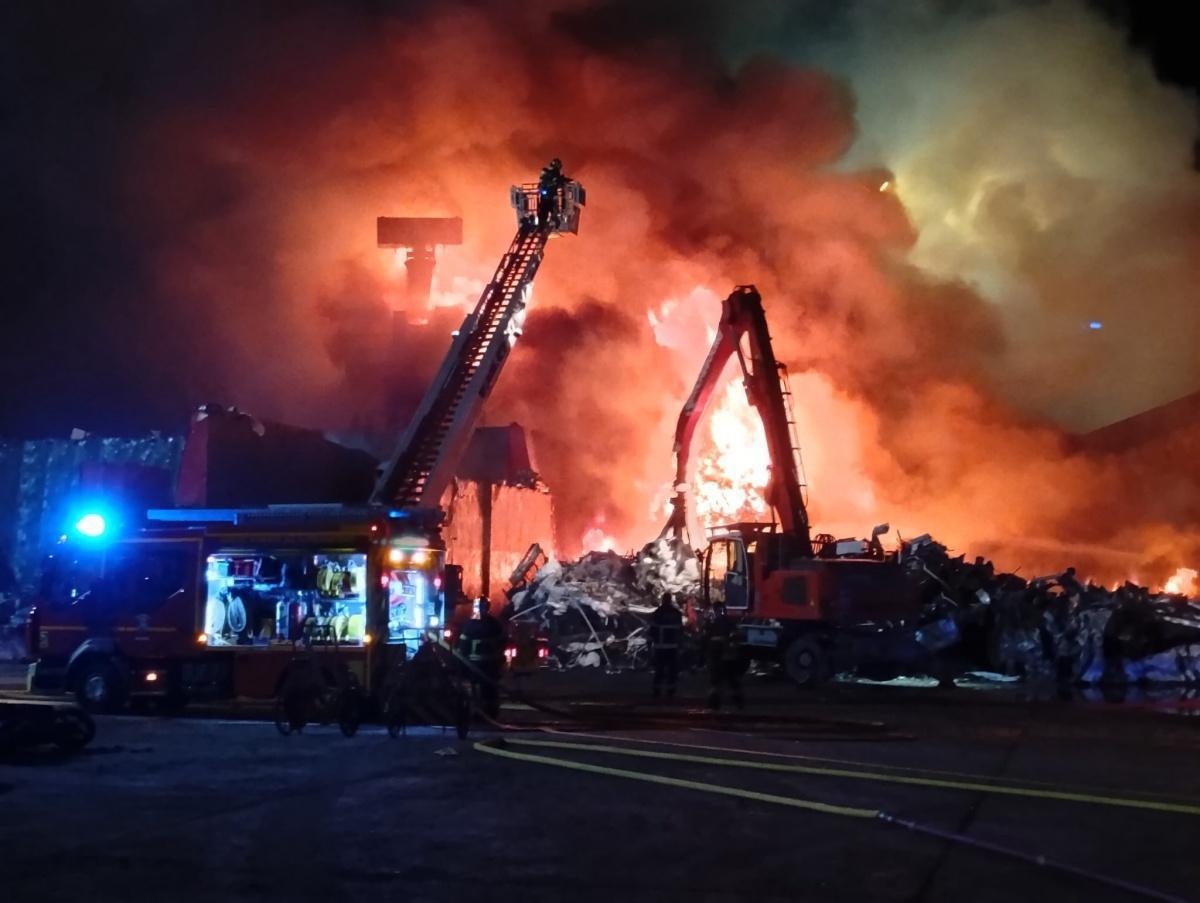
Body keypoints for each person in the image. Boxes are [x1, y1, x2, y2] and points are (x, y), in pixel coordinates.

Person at [456, 596, 505, 719]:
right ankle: (487, 713)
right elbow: (503, 643)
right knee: (487, 690)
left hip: (478, 665)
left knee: (483, 690)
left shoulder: (470, 625)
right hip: (487, 665)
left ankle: (483, 713)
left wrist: (461, 663)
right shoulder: (495, 624)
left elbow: (463, 646)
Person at [703, 602, 744, 710]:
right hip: (727, 656)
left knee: (717, 681)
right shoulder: (729, 622)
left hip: (717, 655)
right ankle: (737, 702)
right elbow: (737, 637)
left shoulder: (712, 623)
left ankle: (715, 703)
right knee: (731, 680)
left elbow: (705, 638)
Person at [649, 592, 683, 698]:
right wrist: (681, 644)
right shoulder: (676, 613)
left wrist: (651, 642)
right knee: (672, 669)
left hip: (660, 646)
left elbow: (652, 630)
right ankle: (670, 691)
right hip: (672, 646)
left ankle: (657, 691)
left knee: (659, 669)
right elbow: (680, 630)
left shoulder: (657, 613)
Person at [536, 158, 563, 228]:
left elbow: (557, 182)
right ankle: (544, 224)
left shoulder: (553, 173)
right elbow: (542, 181)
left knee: (548, 209)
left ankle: (548, 223)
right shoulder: (549, 172)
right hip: (549, 195)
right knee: (547, 210)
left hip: (549, 195)